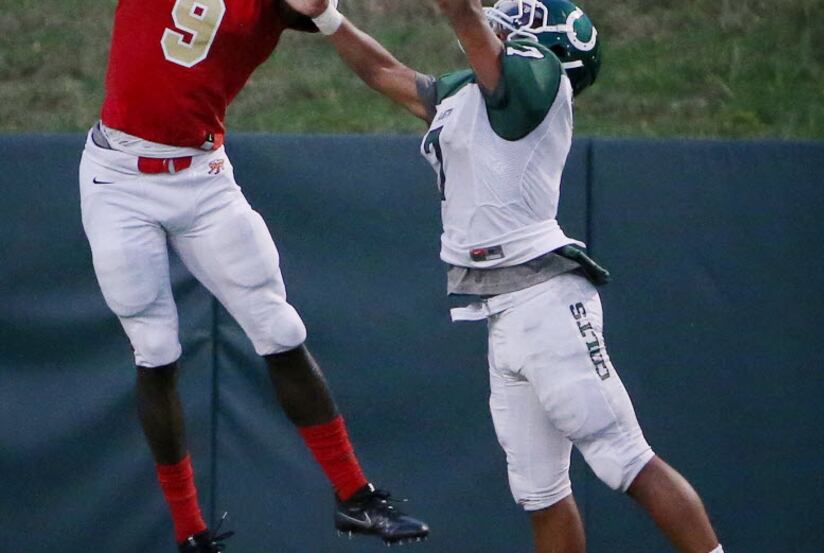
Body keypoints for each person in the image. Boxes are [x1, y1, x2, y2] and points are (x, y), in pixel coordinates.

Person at [280, 0, 726, 551]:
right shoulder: (476, 94)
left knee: (627, 459)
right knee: (540, 493)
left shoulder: (534, 92)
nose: (507, 18)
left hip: (547, 304)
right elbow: (383, 72)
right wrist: (327, 18)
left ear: (549, 50)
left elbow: (465, 18)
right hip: (503, 311)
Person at [78, 1, 428, 551]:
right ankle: (189, 531)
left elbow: (325, 18)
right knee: (155, 349)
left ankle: (354, 498)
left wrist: (323, 12)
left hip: (203, 176)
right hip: (118, 179)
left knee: (280, 329)